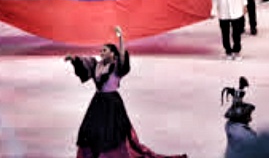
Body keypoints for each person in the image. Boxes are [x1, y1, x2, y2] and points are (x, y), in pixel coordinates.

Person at [65, 27, 186, 158]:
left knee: (113, 131)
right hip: (98, 102)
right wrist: (73, 59)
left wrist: (120, 37)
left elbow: (122, 54)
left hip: (112, 103)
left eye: (105, 50)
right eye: (101, 50)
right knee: (92, 129)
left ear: (112, 54)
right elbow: (84, 63)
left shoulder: (116, 66)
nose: (101, 52)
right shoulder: (97, 65)